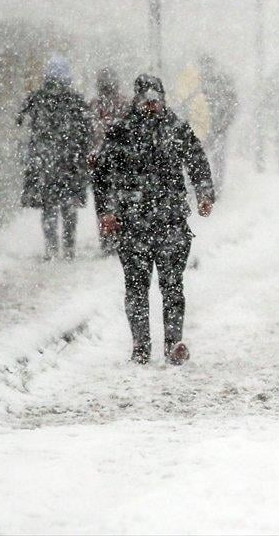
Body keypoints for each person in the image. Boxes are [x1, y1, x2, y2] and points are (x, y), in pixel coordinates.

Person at [95, 75, 215, 365]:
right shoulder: (121, 132)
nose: (152, 105)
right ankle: (140, 346)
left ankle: (173, 344)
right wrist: (107, 212)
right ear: (138, 100)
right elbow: (102, 174)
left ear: (163, 99)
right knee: (136, 288)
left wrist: (204, 193)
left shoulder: (177, 129)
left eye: (156, 99)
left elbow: (197, 160)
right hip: (132, 224)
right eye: (147, 100)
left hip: (171, 222)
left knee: (172, 285)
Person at [18, 57, 91, 260]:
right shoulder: (75, 101)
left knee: (49, 206)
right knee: (68, 207)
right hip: (70, 162)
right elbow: (86, 132)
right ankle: (68, 248)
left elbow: (20, 119)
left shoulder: (37, 98)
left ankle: (51, 247)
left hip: (45, 161)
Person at [88, 68, 130, 256]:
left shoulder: (94, 106)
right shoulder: (125, 104)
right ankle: (120, 237)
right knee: (122, 200)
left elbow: (87, 133)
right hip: (122, 162)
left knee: (102, 201)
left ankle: (107, 239)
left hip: (99, 162)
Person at [198, 55, 239, 195]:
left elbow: (232, 104)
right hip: (207, 127)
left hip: (215, 127)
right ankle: (207, 187)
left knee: (214, 159)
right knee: (208, 159)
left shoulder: (218, 81)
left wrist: (225, 123)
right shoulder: (198, 82)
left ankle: (213, 187)